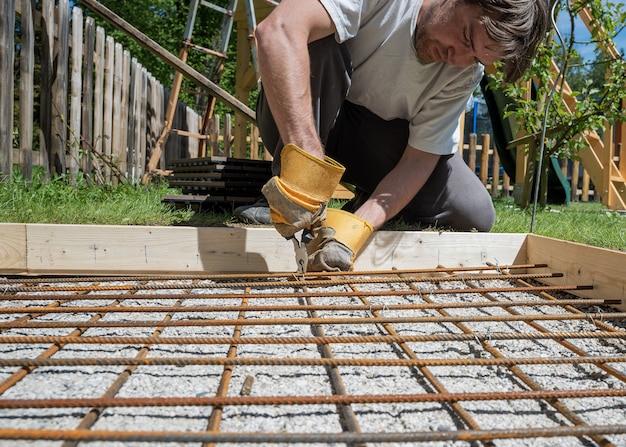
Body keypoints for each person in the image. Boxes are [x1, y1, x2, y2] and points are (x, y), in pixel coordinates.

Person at [234, 0, 549, 271]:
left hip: (368, 140)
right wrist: (306, 161)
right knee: (319, 37)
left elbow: (418, 159)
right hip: (301, 115)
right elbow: (278, 31)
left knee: (473, 209)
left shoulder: (463, 72)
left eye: (477, 57)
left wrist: (362, 224)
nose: (458, 58)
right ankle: (287, 192)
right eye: (466, 35)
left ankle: (349, 210)